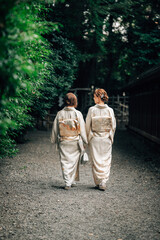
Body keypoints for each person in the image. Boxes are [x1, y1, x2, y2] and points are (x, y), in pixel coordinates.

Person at [51, 93, 88, 190]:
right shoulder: (78, 114)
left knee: (65, 161)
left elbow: (55, 128)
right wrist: (85, 140)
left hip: (64, 140)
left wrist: (53, 139)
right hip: (75, 141)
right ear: (75, 102)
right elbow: (82, 129)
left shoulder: (60, 113)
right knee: (74, 161)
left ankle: (68, 182)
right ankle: (71, 180)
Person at [86, 88, 116, 191]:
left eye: (94, 96)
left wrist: (89, 137)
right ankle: (103, 181)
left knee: (96, 159)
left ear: (99, 97)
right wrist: (110, 136)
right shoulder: (109, 110)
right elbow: (113, 126)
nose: (94, 98)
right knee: (106, 159)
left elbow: (88, 125)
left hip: (95, 137)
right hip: (106, 137)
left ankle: (99, 181)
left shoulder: (92, 110)